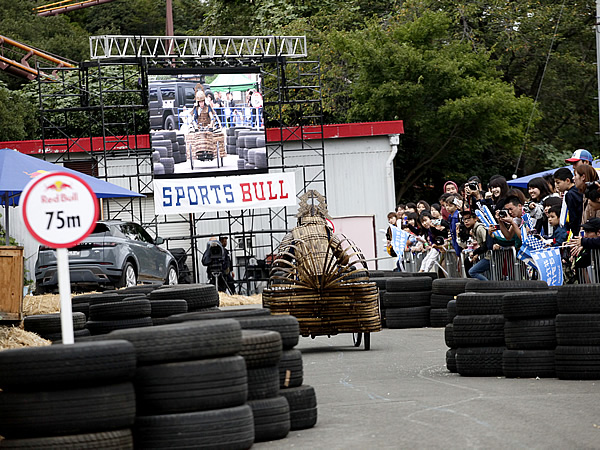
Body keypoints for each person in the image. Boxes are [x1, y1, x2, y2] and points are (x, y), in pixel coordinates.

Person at [458, 210, 491, 280]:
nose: (466, 221)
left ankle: (488, 285)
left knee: (472, 271)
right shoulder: (473, 230)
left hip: (490, 256)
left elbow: (486, 245)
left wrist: (475, 252)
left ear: (475, 218)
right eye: (464, 219)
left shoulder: (480, 228)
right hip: (484, 255)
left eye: (468, 219)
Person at [554, 167, 583, 237]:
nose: (556, 185)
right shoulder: (579, 190)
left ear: (567, 180)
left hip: (577, 229)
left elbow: (573, 216)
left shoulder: (570, 194)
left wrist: (575, 234)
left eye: (558, 182)